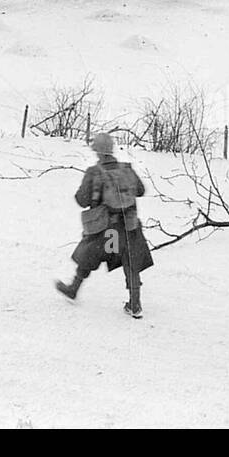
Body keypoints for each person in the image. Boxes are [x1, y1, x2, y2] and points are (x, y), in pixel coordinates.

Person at [55, 133, 153, 318]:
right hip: (130, 226)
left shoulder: (94, 172)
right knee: (131, 261)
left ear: (97, 152)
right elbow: (140, 190)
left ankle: (73, 289)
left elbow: (81, 200)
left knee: (89, 255)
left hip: (107, 231)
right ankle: (135, 304)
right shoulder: (127, 169)